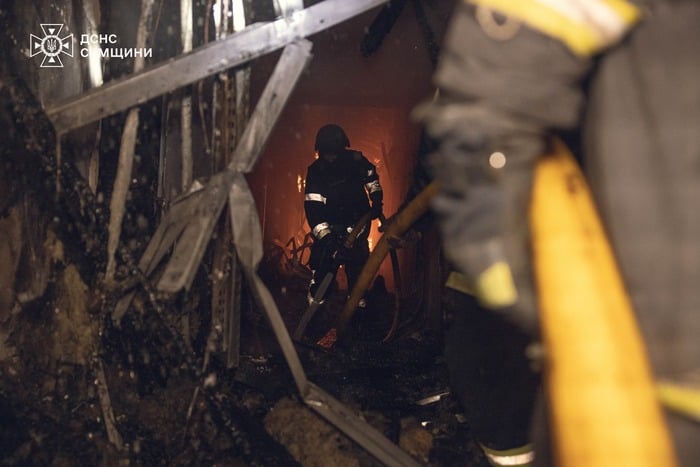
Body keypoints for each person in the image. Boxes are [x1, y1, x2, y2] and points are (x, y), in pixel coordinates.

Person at [416, 1, 700, 466]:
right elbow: (514, 43)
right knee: (492, 362)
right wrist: (489, 221)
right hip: (644, 373)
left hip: (647, 344)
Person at [304, 124, 384, 310]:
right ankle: (315, 312)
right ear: (319, 152)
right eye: (326, 153)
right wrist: (329, 241)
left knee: (358, 279)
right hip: (329, 232)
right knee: (322, 276)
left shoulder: (356, 161)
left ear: (342, 149)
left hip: (358, 227)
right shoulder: (316, 172)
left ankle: (357, 314)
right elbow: (314, 212)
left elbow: (371, 178)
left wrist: (376, 200)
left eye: (334, 153)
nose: (330, 157)